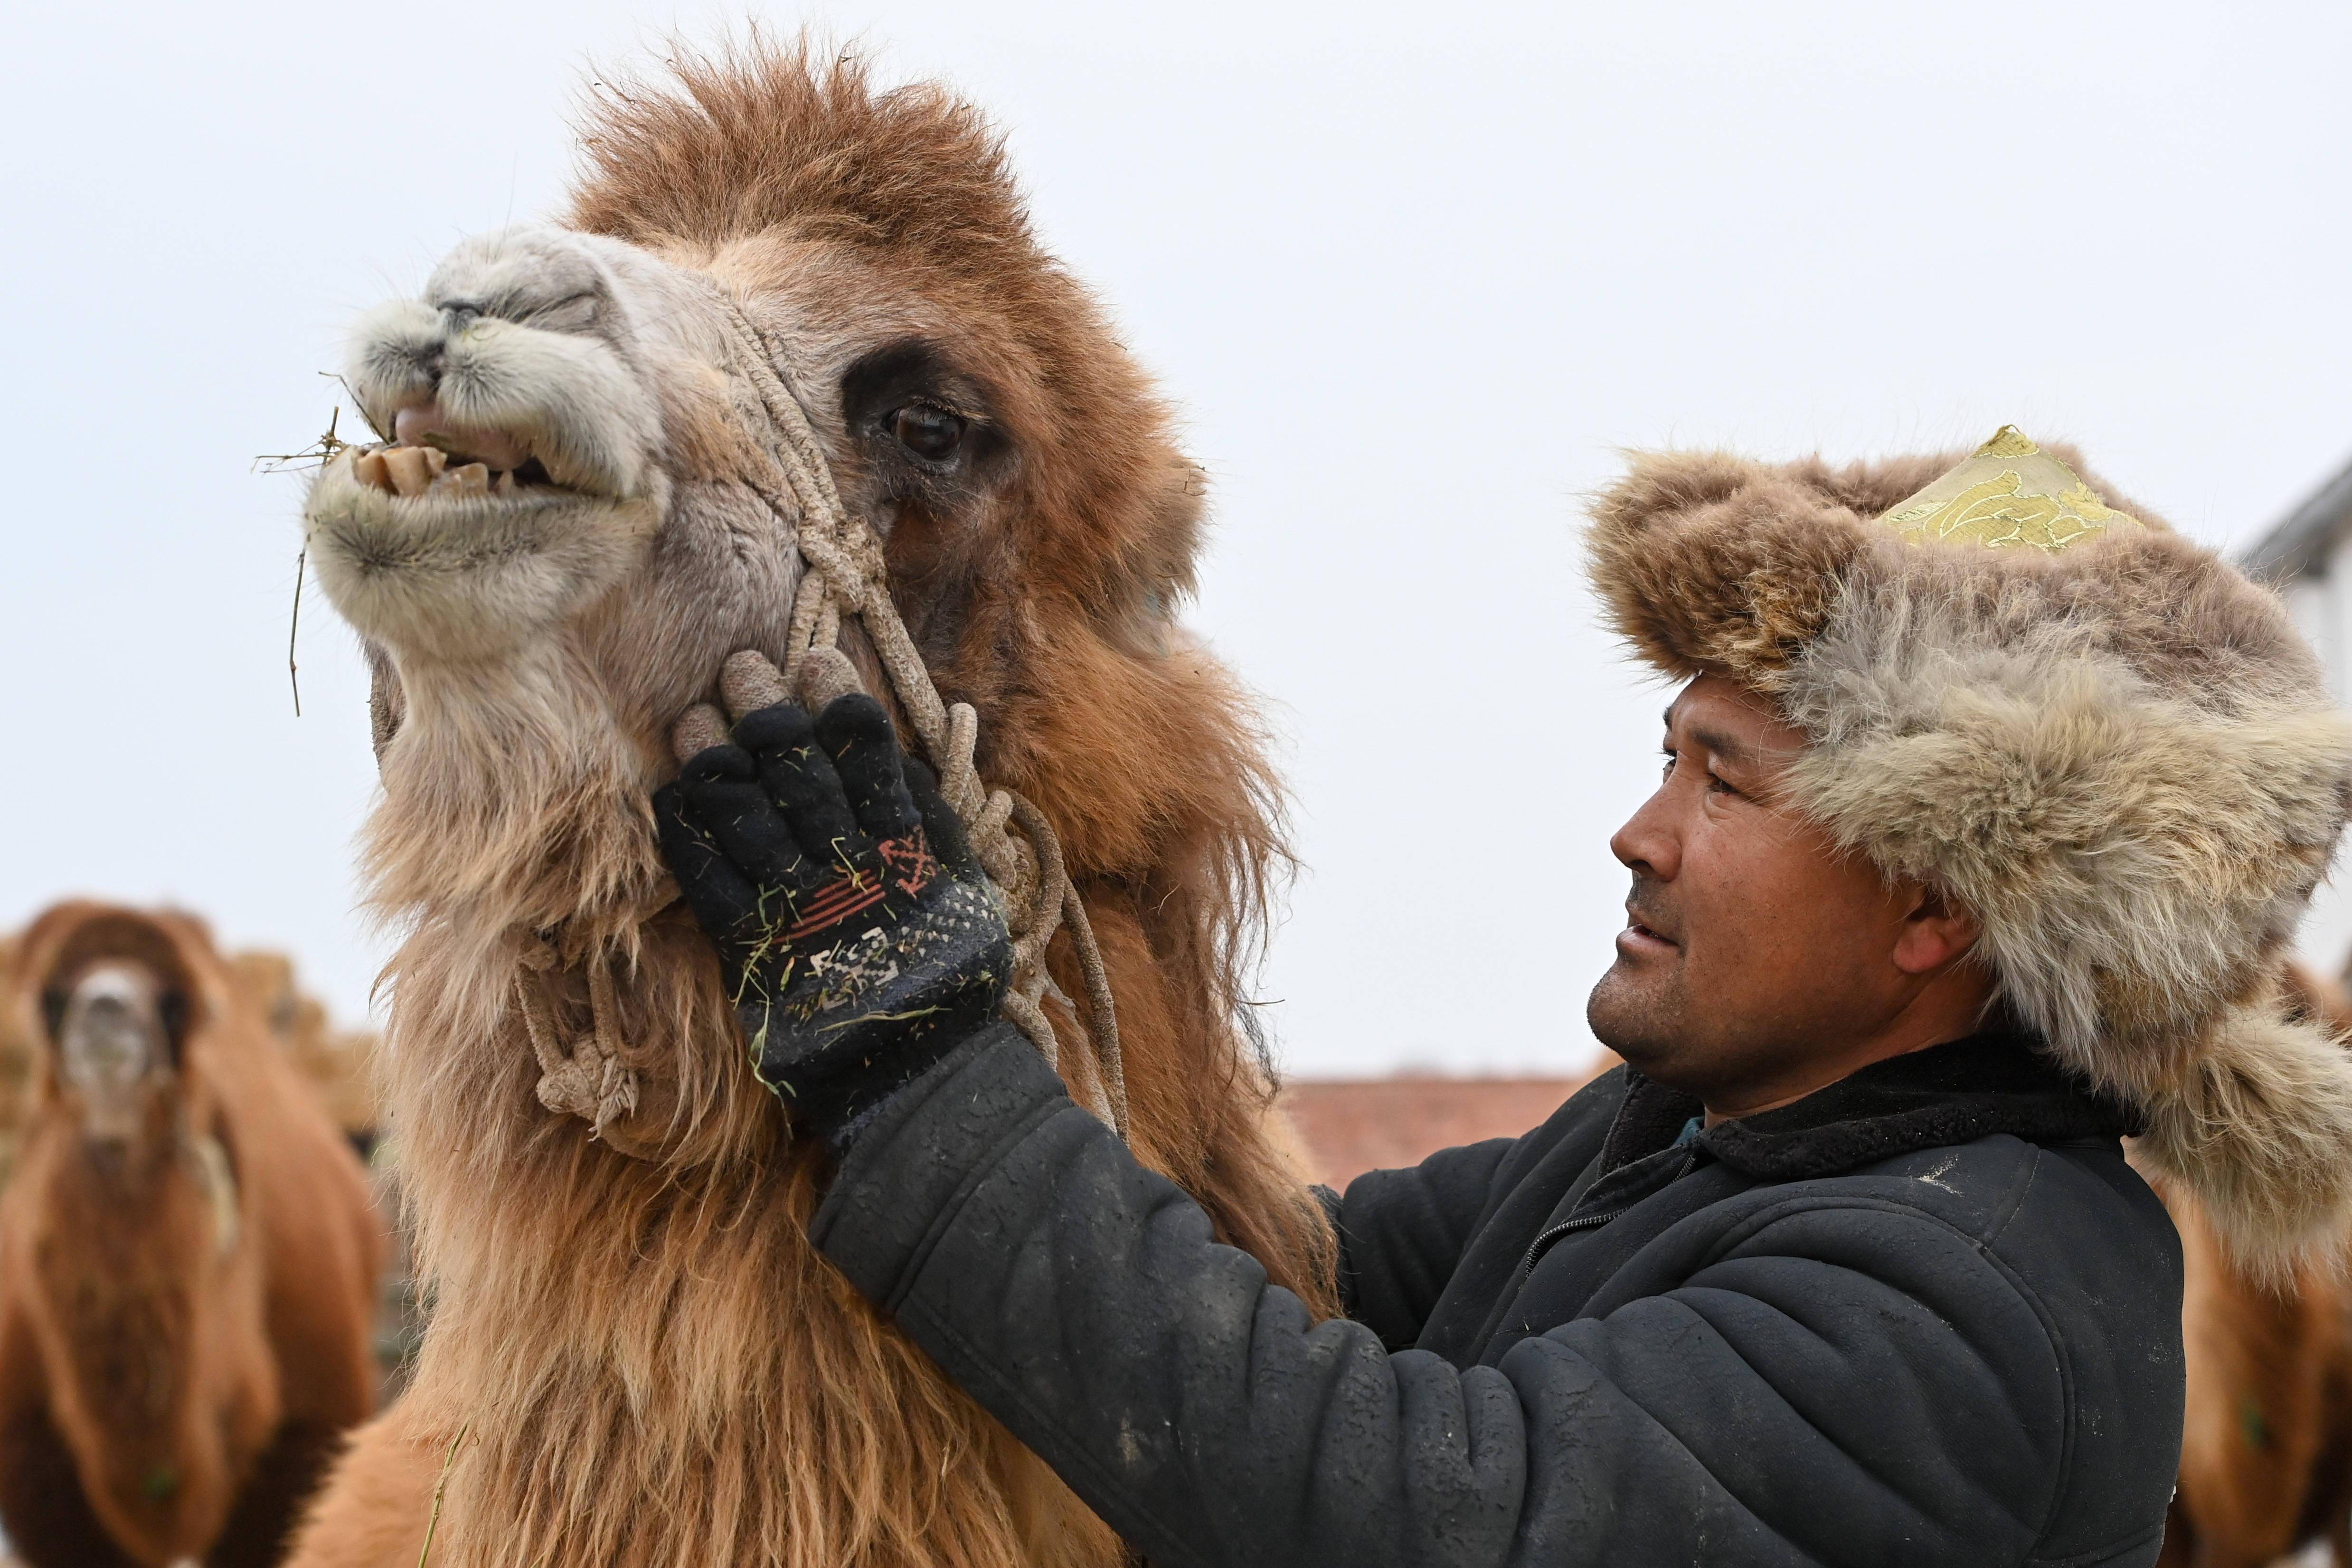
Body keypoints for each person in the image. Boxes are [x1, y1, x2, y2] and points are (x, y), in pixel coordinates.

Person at [653, 428, 2352, 1568]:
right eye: (1658, 755)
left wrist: (909, 1056)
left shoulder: (1963, 1306)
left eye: (1723, 783)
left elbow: (1407, 1502)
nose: (1638, 830)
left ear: (1931, 900)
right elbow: (1275, 1276)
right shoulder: (1708, 1143)